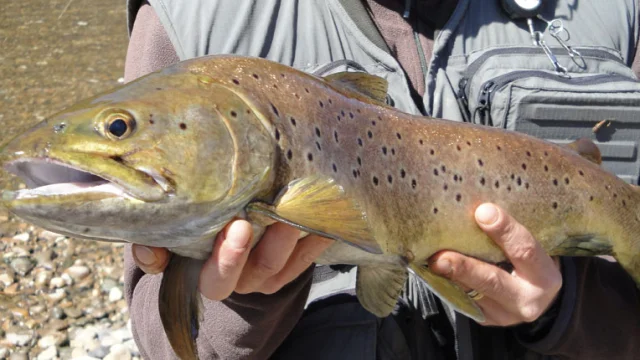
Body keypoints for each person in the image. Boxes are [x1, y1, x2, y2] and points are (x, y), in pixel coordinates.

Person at [123, 0, 640, 359]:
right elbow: (163, 342)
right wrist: (247, 296)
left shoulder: (620, 13)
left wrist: (571, 308)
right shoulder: (186, 22)